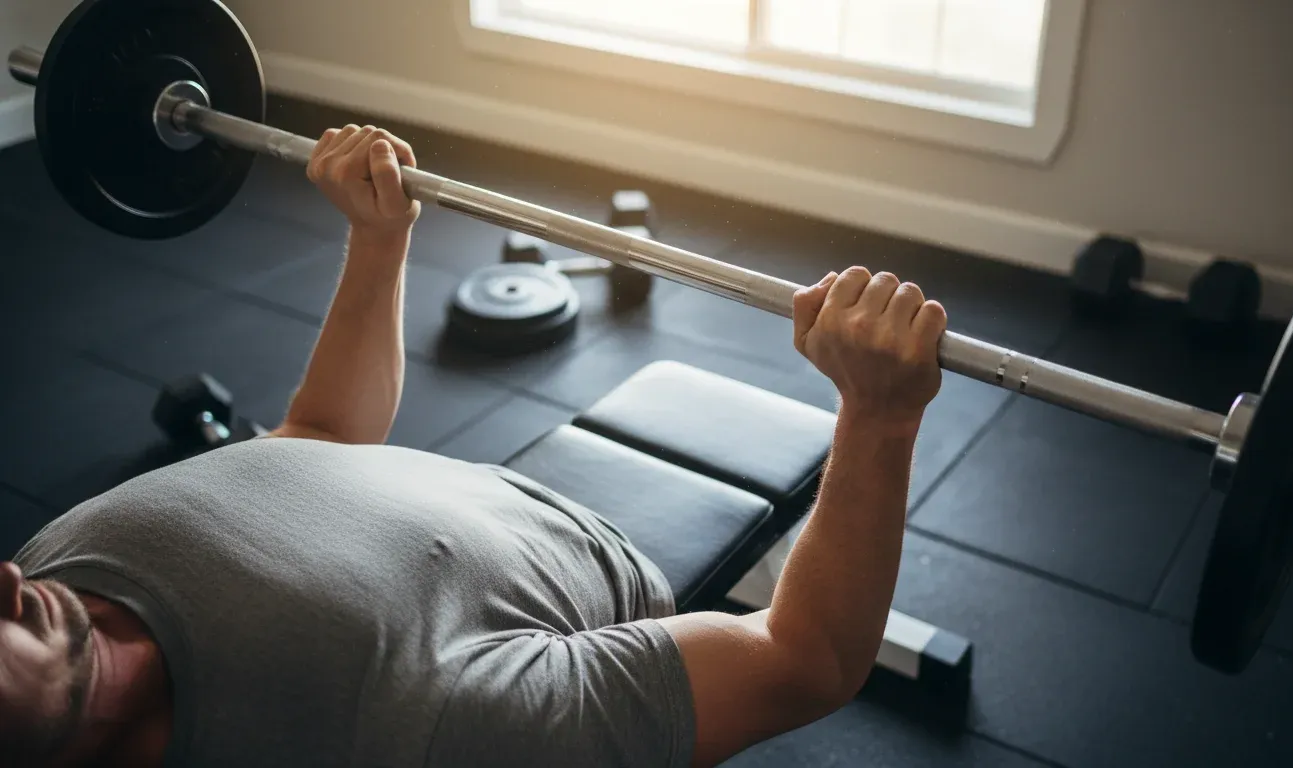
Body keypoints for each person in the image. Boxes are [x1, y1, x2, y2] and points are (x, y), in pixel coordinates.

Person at [0, 125, 947, 767]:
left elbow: (320, 439)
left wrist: (379, 239)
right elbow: (803, 657)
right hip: (593, 542)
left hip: (416, 495)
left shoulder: (52, 568)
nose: (2, 583)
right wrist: (880, 412)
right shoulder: (414, 735)